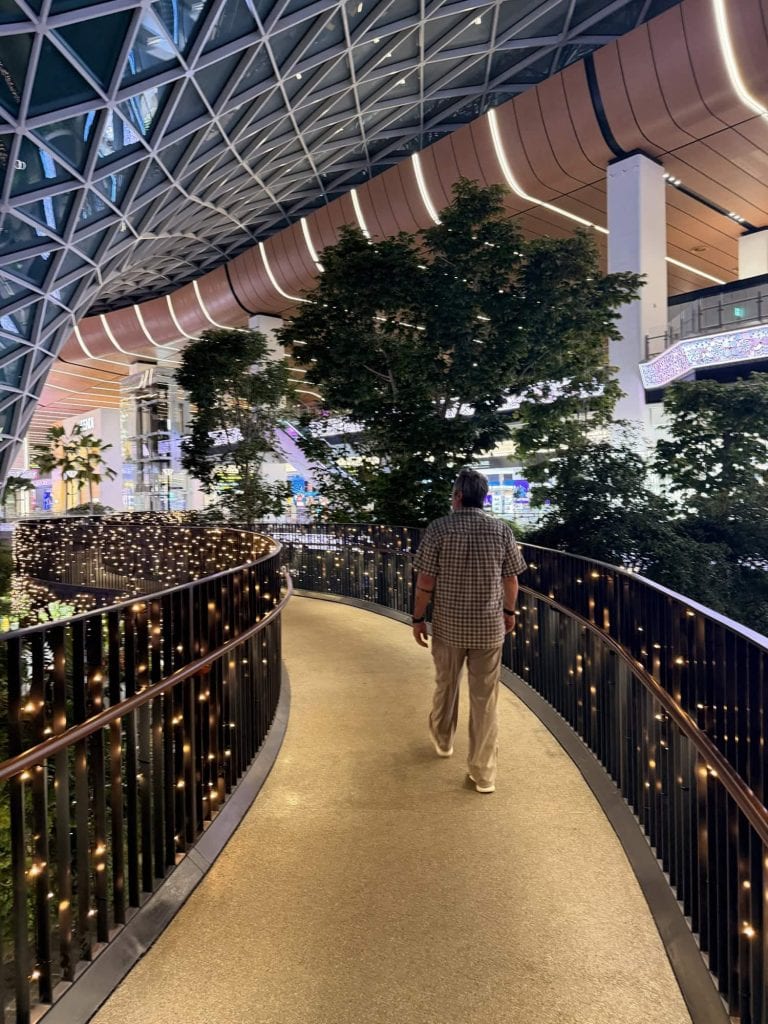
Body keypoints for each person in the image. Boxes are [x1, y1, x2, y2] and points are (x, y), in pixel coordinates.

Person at [411, 468, 527, 793]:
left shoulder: (438, 529)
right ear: (483, 496)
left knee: (446, 683)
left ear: (458, 496)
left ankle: (443, 738)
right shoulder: (501, 530)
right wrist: (508, 611)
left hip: (448, 627)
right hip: (489, 628)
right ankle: (483, 773)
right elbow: (511, 578)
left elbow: (425, 582)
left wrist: (418, 618)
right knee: (485, 699)